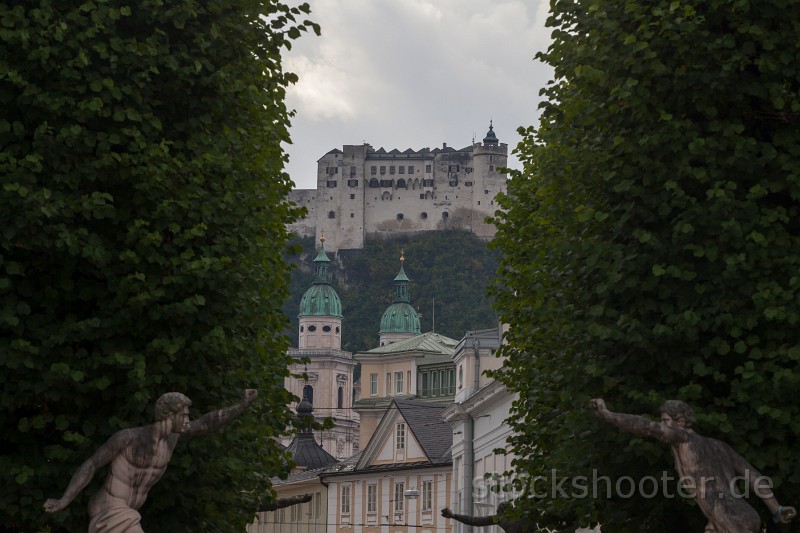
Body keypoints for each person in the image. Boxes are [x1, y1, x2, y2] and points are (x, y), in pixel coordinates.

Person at [44, 389, 258, 532]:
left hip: (129, 512)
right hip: (110, 508)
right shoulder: (129, 438)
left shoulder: (173, 439)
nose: (187, 420)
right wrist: (64, 500)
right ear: (170, 415)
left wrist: (241, 406)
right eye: (183, 415)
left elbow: (206, 423)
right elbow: (91, 464)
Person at [590, 398, 796, 532]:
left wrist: (608, 415)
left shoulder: (683, 438)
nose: (662, 425)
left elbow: (647, 427)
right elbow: (753, 476)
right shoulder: (720, 447)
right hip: (743, 512)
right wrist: (776, 508)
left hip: (725, 512)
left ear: (680, 422)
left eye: (665, 420)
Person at [441, 501, 533, 533]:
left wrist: (453, 516)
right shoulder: (521, 512)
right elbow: (474, 521)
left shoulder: (499, 519)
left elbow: (474, 521)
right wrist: (453, 516)